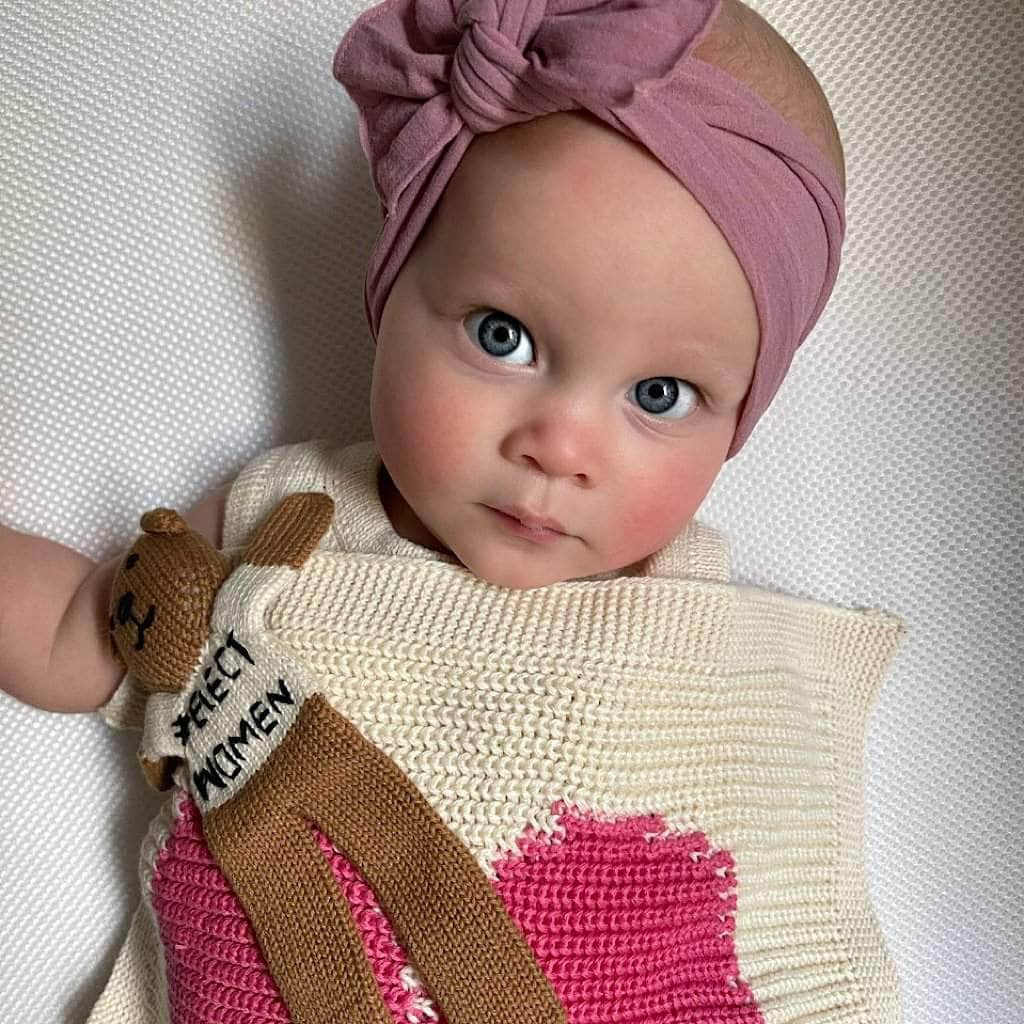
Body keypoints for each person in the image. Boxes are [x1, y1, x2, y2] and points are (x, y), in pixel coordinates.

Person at [2, 3, 891, 1023]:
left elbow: (769, 948)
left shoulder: (705, 667)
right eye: (503, 335)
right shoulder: (283, 529)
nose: (558, 445)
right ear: (392, 287)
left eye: (658, 396)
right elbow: (84, 627)